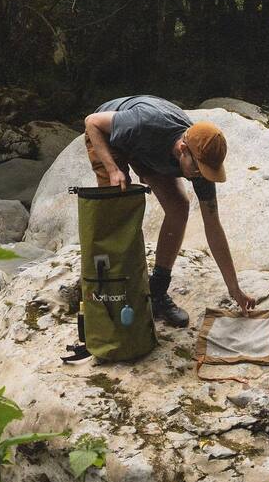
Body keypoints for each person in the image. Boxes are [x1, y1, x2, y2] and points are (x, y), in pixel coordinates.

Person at [84, 95, 256, 327]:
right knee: (118, 205)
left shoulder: (200, 159)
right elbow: (92, 122)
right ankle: (114, 294)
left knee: (178, 207)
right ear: (183, 149)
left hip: (146, 149)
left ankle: (157, 292)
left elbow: (213, 226)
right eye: (198, 169)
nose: (200, 175)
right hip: (108, 135)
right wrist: (113, 169)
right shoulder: (143, 123)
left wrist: (234, 288)